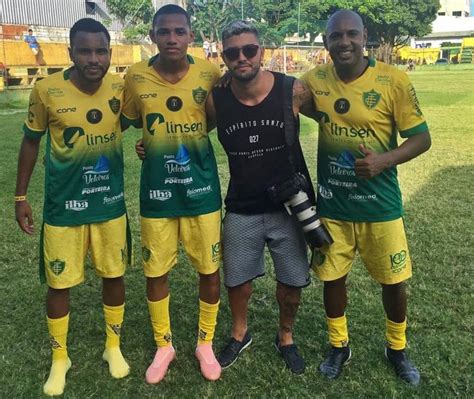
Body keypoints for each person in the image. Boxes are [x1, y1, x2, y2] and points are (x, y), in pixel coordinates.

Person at [302, 9, 431, 385]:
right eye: (335, 36)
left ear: (364, 36)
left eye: (350, 34)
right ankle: (339, 345)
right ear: (325, 42)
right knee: (332, 278)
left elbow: (422, 138)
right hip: (333, 206)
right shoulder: (314, 79)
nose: (344, 42)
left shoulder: (393, 80)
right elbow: (288, 100)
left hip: (380, 207)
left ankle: (397, 347)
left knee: (393, 281)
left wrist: (384, 161)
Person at [15, 18, 130, 396]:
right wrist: (20, 197)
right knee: (58, 282)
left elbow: (132, 122)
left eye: (100, 51)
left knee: (114, 276)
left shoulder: (119, 86)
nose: (93, 58)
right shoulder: (46, 90)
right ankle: (59, 357)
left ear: (110, 53)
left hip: (109, 205)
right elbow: (31, 142)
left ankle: (112, 347)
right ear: (70, 53)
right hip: (64, 207)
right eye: (85, 50)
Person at [207, 20, 316, 374]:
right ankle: (240, 334)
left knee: (292, 280)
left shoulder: (293, 90)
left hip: (290, 206)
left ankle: (286, 336)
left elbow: (335, 117)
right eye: (233, 52)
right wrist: (152, 144)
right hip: (241, 204)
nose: (242, 57)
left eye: (249, 50)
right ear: (224, 57)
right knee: (236, 278)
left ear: (262, 52)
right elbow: (191, 131)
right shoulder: (217, 97)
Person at [122, 4, 222, 383]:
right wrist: (148, 142)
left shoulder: (209, 73)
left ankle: (204, 343)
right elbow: (133, 120)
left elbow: (211, 118)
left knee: (208, 267)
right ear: (153, 35)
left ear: (191, 36)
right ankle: (164, 345)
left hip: (201, 189)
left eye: (179, 31)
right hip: (157, 192)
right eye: (164, 32)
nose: (172, 38)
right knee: (155, 268)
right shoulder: (135, 76)